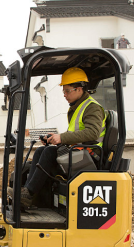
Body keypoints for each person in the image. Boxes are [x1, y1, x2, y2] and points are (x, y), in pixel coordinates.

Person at [19, 67, 106, 208]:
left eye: (67, 91)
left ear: (79, 89)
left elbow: (93, 133)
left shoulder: (92, 108)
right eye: (63, 91)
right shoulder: (78, 107)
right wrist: (54, 138)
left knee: (49, 153)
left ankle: (29, 194)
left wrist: (62, 138)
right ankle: (28, 194)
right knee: (41, 150)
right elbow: (74, 134)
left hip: (90, 156)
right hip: (79, 151)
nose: (64, 95)